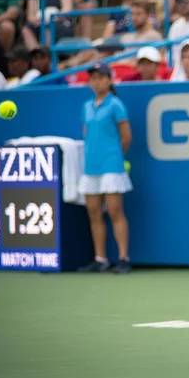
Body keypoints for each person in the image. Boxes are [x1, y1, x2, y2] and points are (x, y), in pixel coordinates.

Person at [77, 63, 133, 274]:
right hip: (91, 167)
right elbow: (87, 134)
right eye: (93, 78)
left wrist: (115, 157)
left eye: (101, 77)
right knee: (93, 213)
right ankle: (100, 258)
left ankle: (123, 258)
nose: (96, 81)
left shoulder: (116, 105)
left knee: (115, 211)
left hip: (111, 165)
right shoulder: (86, 106)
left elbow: (126, 137)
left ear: (109, 80)